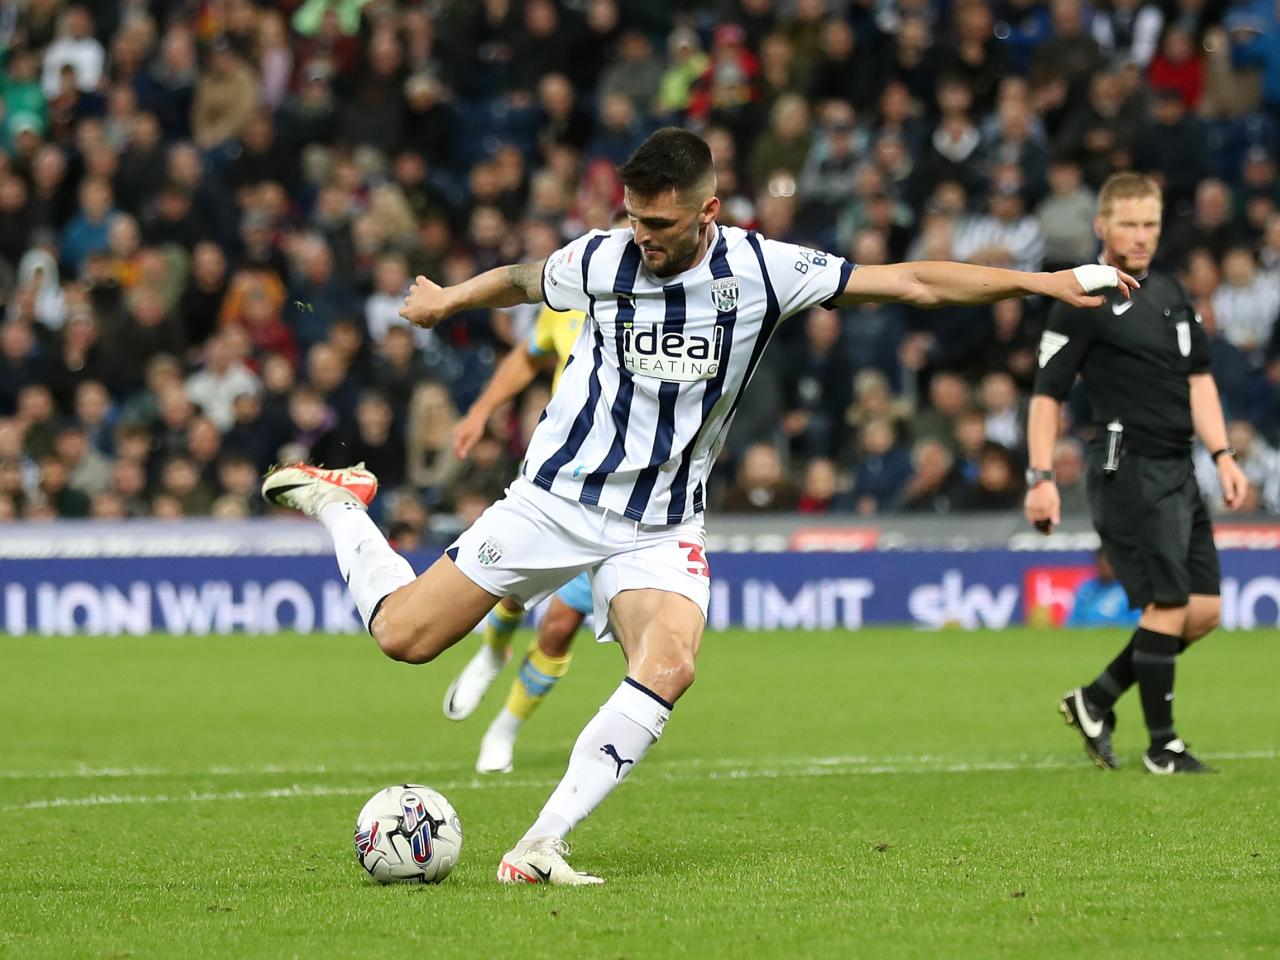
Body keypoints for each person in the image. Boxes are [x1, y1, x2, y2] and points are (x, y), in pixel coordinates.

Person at [262, 128, 1132, 885]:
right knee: (404, 639)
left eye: (660, 224)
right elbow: (525, 279)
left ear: (708, 211)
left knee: (670, 665)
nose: (641, 238)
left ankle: (539, 844)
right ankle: (344, 509)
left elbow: (910, 281)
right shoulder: (604, 256)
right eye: (633, 218)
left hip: (660, 524)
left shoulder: (763, 267)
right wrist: (448, 298)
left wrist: (1042, 284)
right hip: (555, 499)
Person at [1024, 172, 1249, 775]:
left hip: (1180, 465)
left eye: (1150, 223)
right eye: (1128, 223)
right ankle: (1163, 746)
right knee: (1169, 604)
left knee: (1202, 611)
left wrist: (1223, 454)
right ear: (1102, 226)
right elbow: (1047, 394)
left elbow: (1199, 378)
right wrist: (1040, 475)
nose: (1141, 235)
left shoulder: (1172, 292)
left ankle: (1095, 699)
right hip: (1129, 469)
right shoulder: (1083, 296)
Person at [442, 295, 597, 776]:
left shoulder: (665, 316)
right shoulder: (572, 300)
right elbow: (529, 354)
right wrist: (481, 410)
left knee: (559, 627)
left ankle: (503, 730)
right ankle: (492, 652)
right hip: (559, 486)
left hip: (625, 499)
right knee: (510, 592)